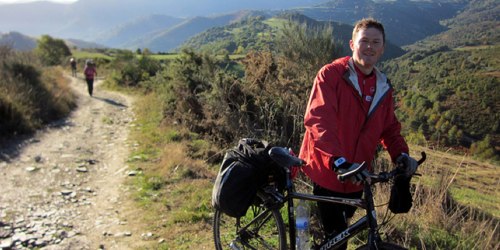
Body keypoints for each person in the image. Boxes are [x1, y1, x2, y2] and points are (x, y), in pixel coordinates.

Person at [298, 18, 418, 250]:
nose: (370, 47)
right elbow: (318, 121)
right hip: (329, 171)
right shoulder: (331, 75)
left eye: (376, 42)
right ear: (352, 44)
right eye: (364, 41)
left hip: (358, 176)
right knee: (337, 239)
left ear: (383, 48)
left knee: (341, 233)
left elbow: (390, 128)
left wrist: (401, 155)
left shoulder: (383, 86)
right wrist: (338, 161)